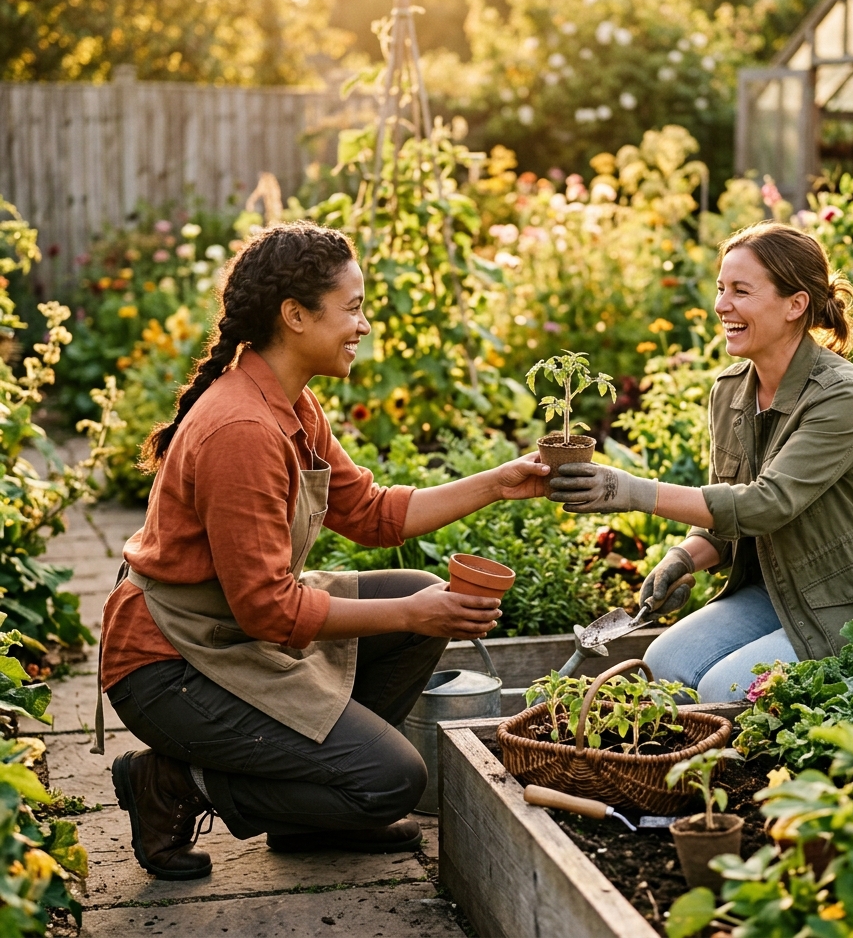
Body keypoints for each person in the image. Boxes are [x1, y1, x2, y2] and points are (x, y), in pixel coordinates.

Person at [97, 222, 549, 881]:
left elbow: (371, 514)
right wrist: (413, 615)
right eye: (355, 307)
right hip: (171, 667)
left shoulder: (292, 405)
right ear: (295, 315)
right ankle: (172, 783)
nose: (363, 325)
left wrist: (499, 482)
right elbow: (267, 611)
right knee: (392, 781)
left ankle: (310, 811)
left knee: (411, 586)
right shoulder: (241, 429)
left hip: (230, 630)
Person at [549, 220, 853, 701]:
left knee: (720, 690)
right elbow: (723, 520)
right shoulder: (731, 391)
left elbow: (764, 506)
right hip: (776, 591)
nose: (721, 305)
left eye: (742, 291)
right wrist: (682, 558)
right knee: (661, 665)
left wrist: (630, 491)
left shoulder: (841, 396)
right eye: (720, 288)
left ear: (796, 305)